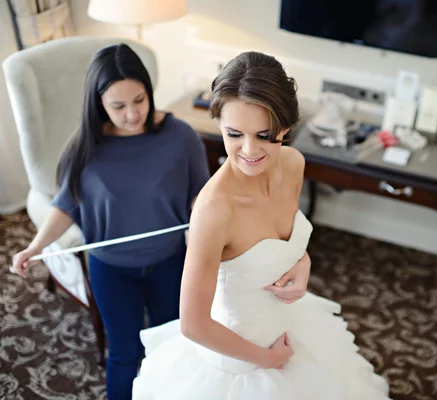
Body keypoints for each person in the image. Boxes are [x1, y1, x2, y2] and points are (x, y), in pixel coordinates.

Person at [131, 51, 390, 399]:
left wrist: (303, 262)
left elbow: (282, 240)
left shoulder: (294, 164)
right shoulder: (214, 211)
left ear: (285, 126)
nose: (249, 150)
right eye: (234, 134)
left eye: (265, 135)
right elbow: (193, 325)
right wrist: (267, 359)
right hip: (236, 365)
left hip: (285, 327)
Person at [10, 44, 212, 400]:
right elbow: (65, 205)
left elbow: (200, 194)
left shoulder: (180, 137)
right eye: (118, 106)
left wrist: (204, 223)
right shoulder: (84, 147)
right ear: (98, 103)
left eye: (140, 100)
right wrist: (35, 246)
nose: (133, 114)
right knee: (124, 354)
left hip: (170, 262)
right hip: (112, 271)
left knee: (172, 347)